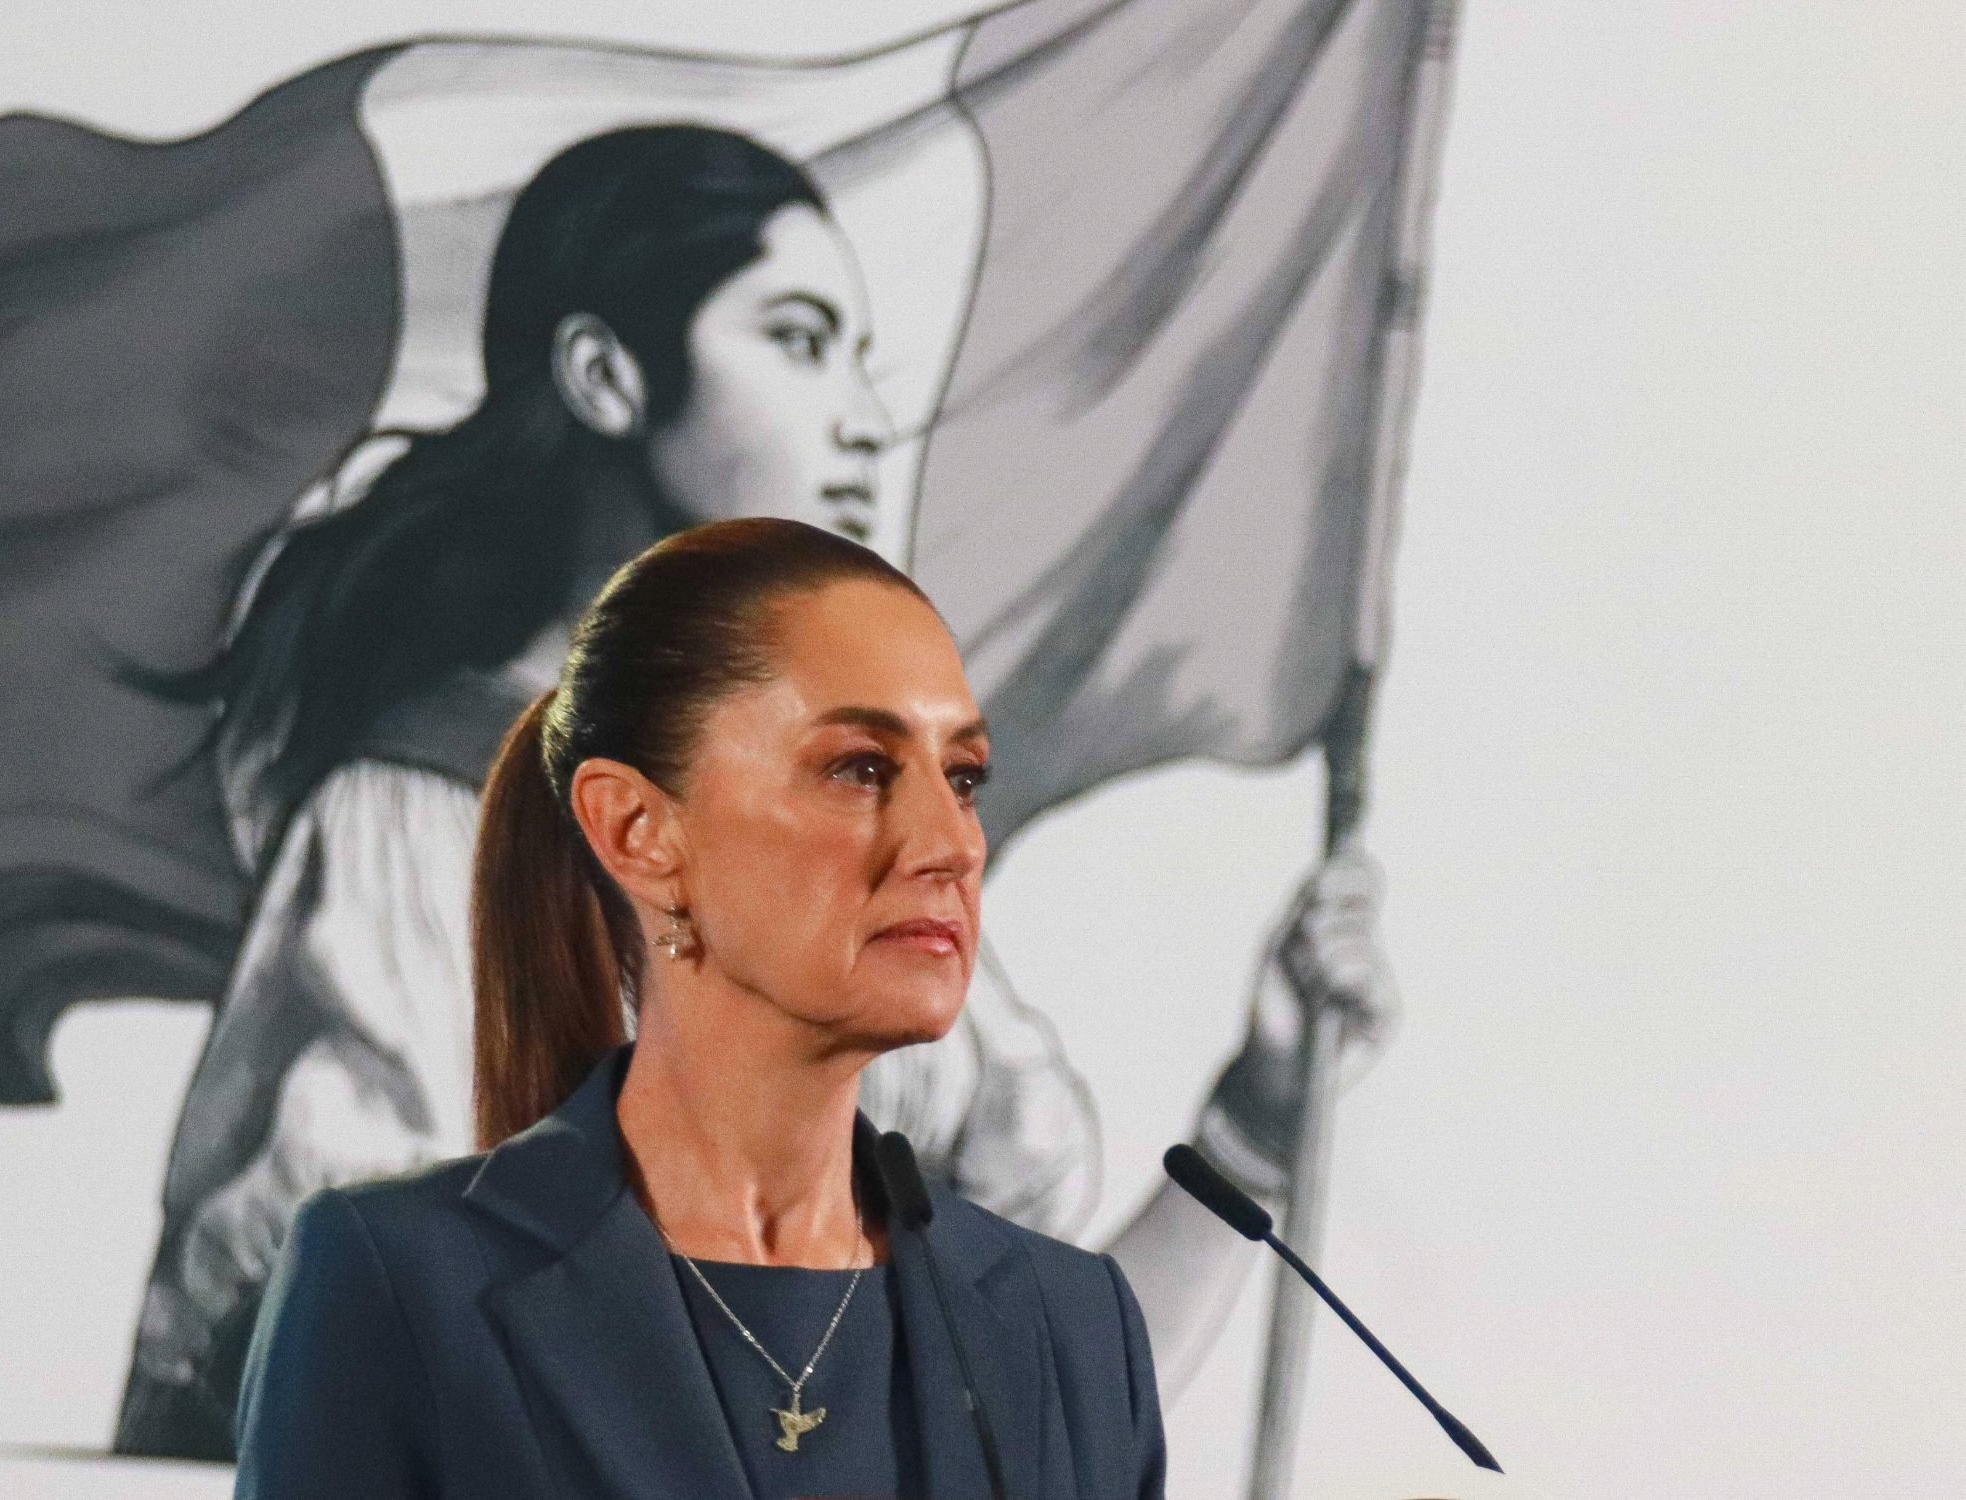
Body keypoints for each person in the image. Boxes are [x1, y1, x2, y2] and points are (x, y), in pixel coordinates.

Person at [121, 123, 1395, 1458]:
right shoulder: (417, 826)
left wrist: (1256, 1114)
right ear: (606, 377)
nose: (860, 416)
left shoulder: (857, 876)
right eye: (796, 340)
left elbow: (1047, 1420)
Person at [235, 517, 1165, 1499]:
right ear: (641, 833)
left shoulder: (1075, 1330)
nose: (953, 841)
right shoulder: (393, 1289)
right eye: (860, 767)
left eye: (964, 777)